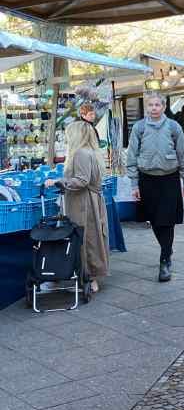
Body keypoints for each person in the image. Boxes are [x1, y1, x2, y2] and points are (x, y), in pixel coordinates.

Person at [127, 91, 184, 283]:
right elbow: (131, 157)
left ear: (163, 107)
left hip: (169, 179)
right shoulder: (138, 128)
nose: (154, 108)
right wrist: (133, 183)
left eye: (157, 105)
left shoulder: (173, 127)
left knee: (167, 220)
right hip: (147, 180)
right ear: (146, 107)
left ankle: (165, 259)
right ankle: (167, 249)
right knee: (154, 220)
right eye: (150, 105)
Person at [44, 120, 109, 293]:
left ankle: (89, 276)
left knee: (85, 239)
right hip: (88, 201)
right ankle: (90, 276)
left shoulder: (80, 153)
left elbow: (81, 180)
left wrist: (59, 181)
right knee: (92, 238)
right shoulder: (90, 152)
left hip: (83, 203)